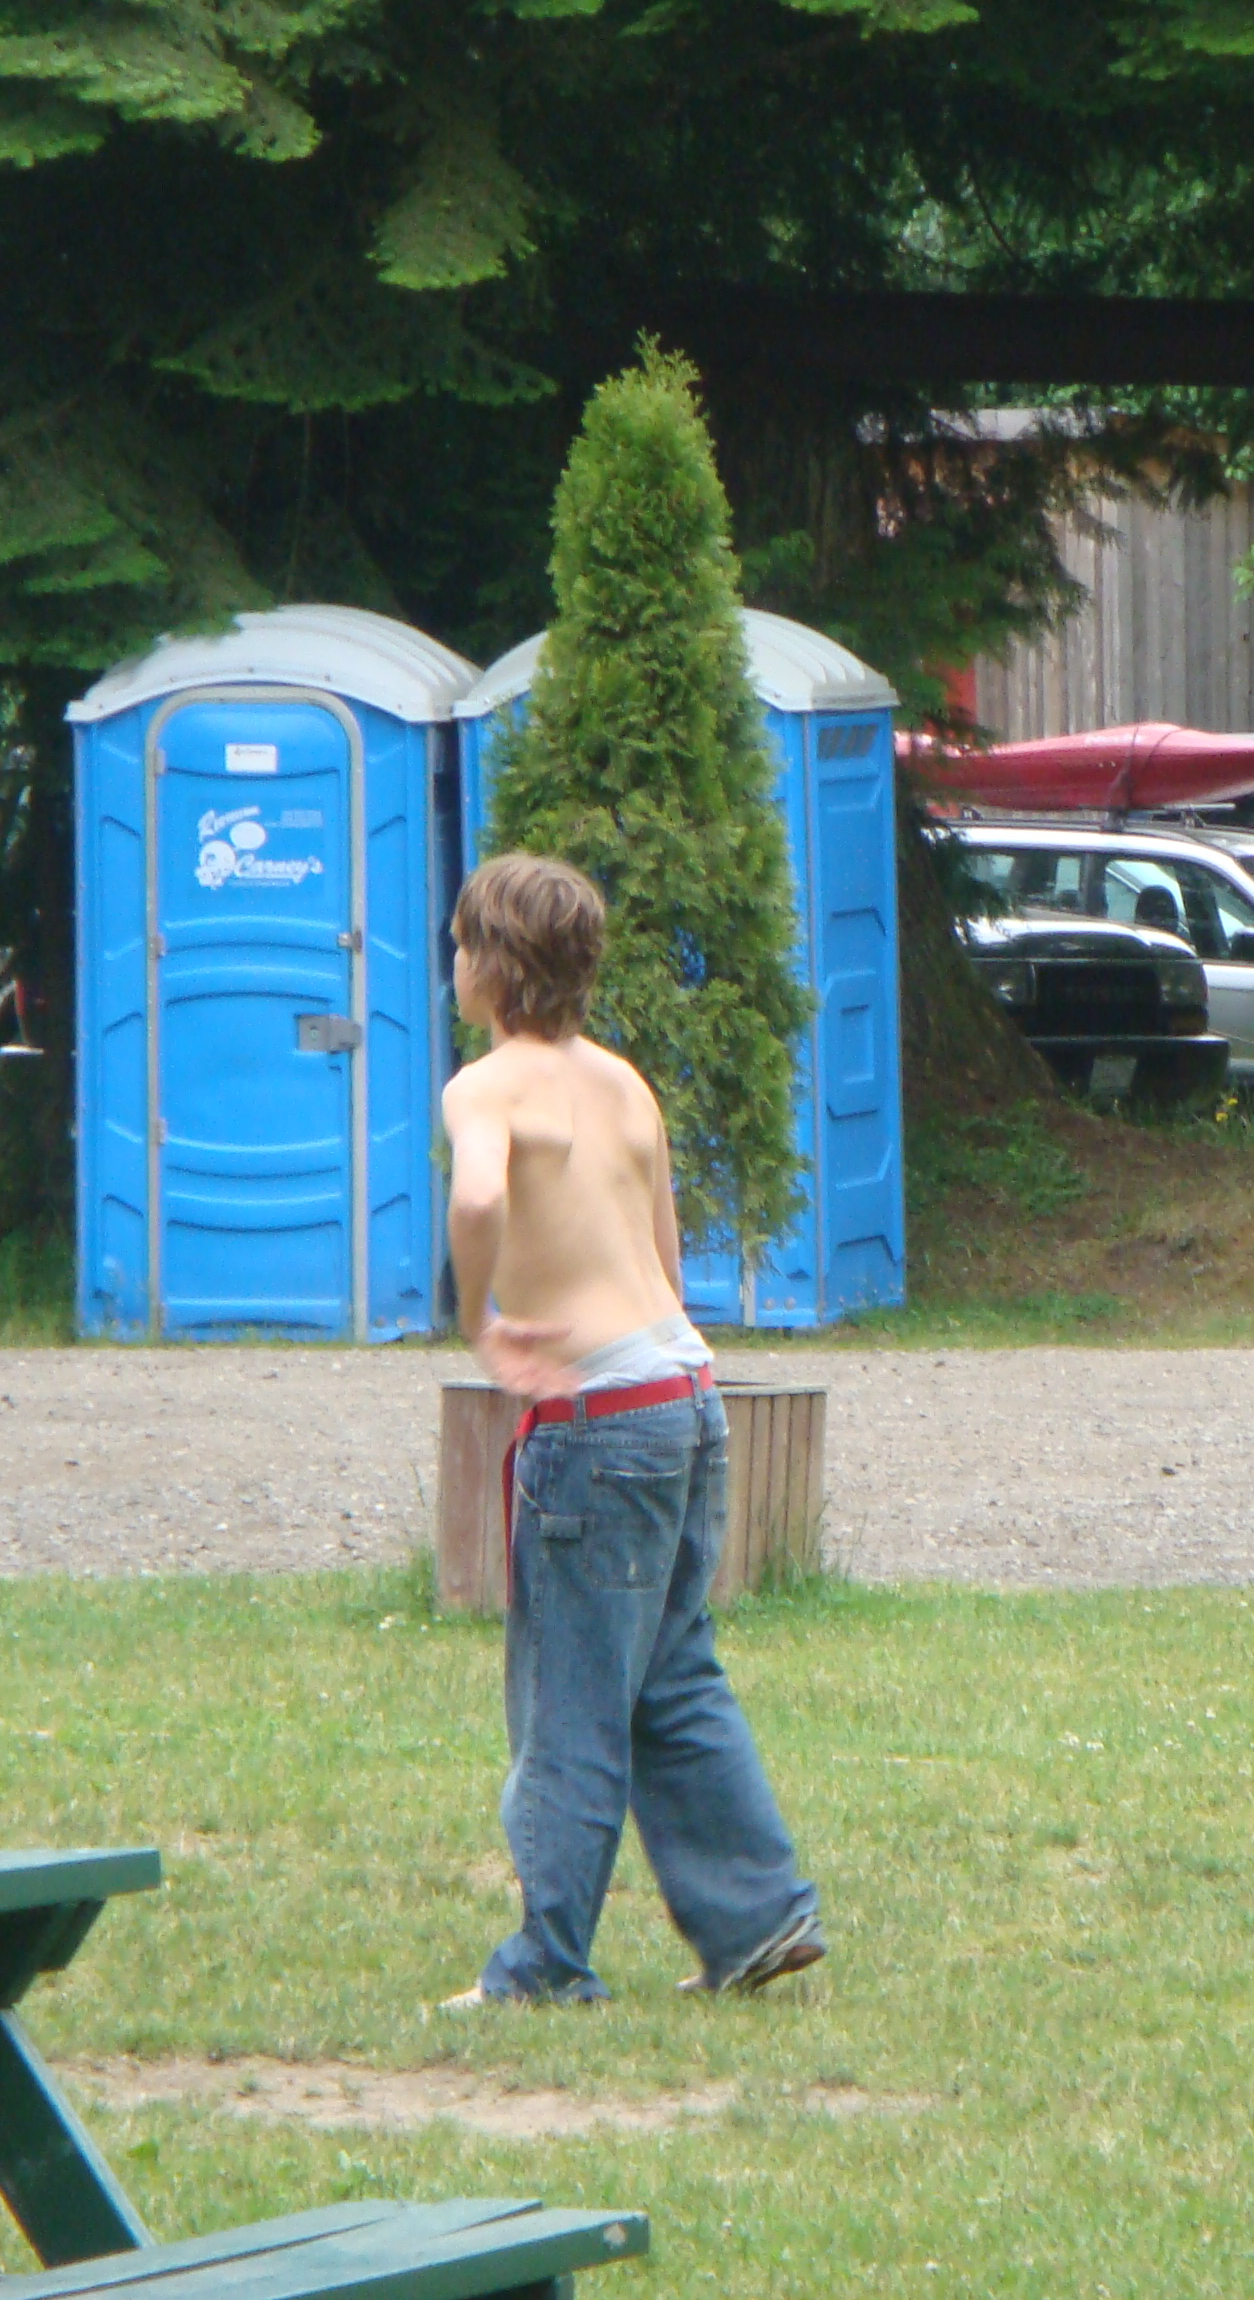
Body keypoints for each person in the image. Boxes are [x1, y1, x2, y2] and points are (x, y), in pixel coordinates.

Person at [437, 851, 822, 2007]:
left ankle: (545, 1964)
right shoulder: (624, 1084)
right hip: (687, 1397)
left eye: (461, 945)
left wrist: (482, 1322)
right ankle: (758, 1918)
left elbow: (478, 1198)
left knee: (570, 1697)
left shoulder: (489, 1086)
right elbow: (665, 1256)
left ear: (493, 968)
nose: (455, 964)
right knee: (673, 1671)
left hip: (596, 1417)